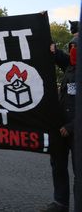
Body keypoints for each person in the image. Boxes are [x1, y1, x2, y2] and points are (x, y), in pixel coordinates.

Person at [40, 21, 78, 212]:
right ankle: (60, 203)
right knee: (58, 165)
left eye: (76, 45)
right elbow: (59, 56)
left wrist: (71, 127)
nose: (72, 49)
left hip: (74, 130)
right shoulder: (71, 67)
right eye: (72, 45)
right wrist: (42, 29)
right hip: (61, 128)